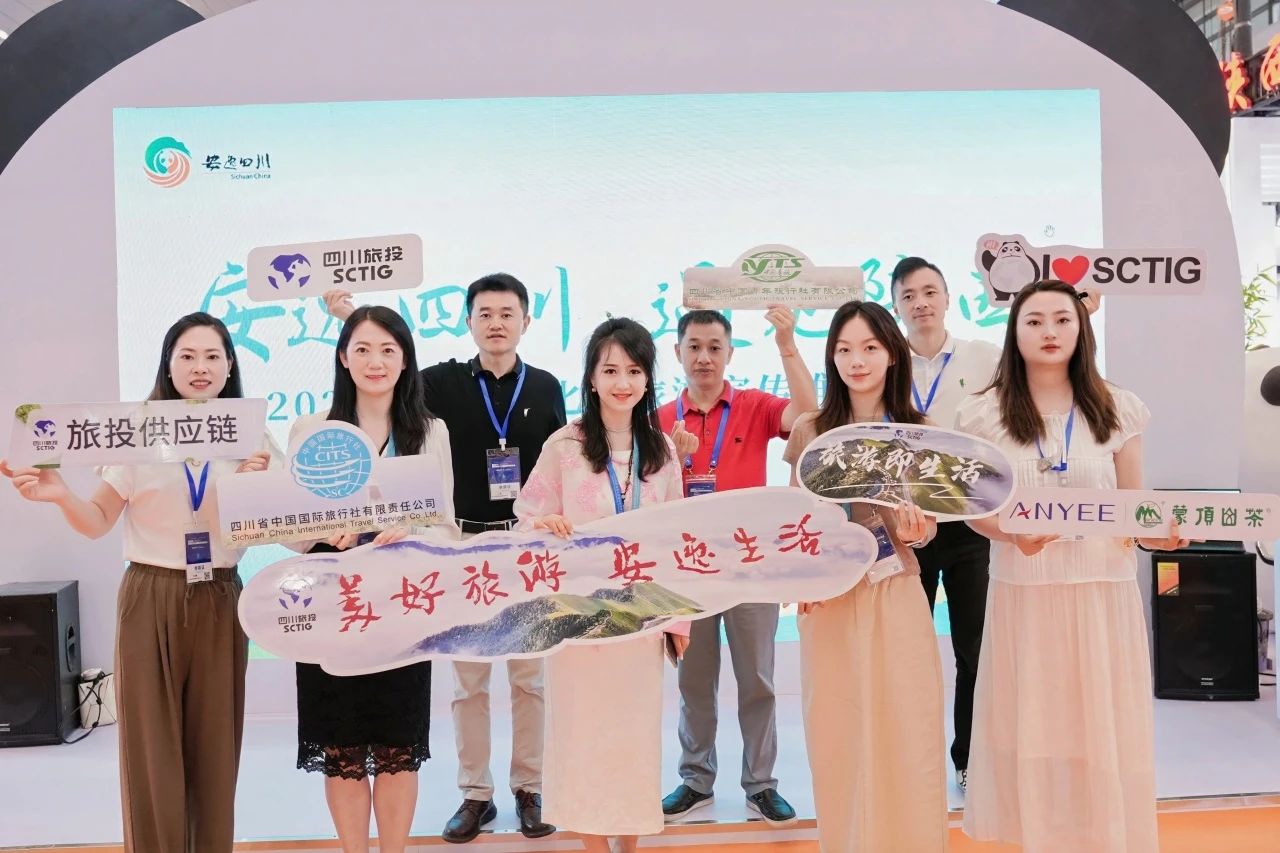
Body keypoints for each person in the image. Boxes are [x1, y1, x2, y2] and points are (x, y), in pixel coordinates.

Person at [1, 313, 274, 853]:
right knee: (151, 750)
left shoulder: (252, 438)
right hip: (150, 593)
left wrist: (251, 489)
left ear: (230, 366)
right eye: (187, 356)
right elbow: (98, 520)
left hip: (221, 595)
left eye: (212, 356)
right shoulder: (138, 432)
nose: (200, 368)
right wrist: (60, 495)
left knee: (216, 748)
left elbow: (275, 523)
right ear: (168, 366)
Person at [323, 274, 564, 842]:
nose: (496, 323)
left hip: (526, 548)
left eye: (508, 313)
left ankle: (530, 788)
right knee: (469, 682)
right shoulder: (439, 382)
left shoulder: (547, 386)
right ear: (469, 321)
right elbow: (382, 381)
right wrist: (348, 319)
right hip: (462, 547)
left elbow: (561, 463)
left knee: (529, 679)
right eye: (485, 313)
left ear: (526, 321)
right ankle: (475, 793)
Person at [957, 280, 1184, 853]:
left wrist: (1161, 534)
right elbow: (974, 512)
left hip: (1102, 594)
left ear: (1082, 329)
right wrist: (1009, 533)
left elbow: (1133, 505)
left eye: (1062, 319)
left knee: (1101, 734)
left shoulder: (1117, 406)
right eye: (1034, 321)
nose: (1050, 331)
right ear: (1014, 333)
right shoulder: (983, 414)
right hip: (1025, 593)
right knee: (1035, 732)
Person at [513, 317, 689, 853]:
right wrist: (544, 525)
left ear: (647, 378)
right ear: (591, 378)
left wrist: (679, 622)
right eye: (610, 370)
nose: (622, 382)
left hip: (640, 623)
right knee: (583, 738)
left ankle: (629, 845)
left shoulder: (662, 450)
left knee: (633, 740)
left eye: (634, 371)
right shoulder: (565, 445)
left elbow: (679, 540)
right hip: (579, 624)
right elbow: (525, 518)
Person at [782, 300, 949, 853]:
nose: (857, 360)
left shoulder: (919, 432)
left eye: (870, 348)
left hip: (896, 591)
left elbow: (928, 528)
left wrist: (919, 531)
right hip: (830, 599)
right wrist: (804, 582)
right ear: (832, 357)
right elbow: (795, 519)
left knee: (907, 726)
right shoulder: (811, 429)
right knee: (838, 730)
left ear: (892, 354)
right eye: (845, 349)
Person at [291, 306, 457, 853]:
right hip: (332, 610)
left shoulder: (430, 432)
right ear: (343, 358)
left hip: (402, 609)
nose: (375, 361)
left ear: (405, 359)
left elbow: (448, 529)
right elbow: (289, 532)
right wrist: (323, 529)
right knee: (341, 748)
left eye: (388, 349)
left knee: (397, 748)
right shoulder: (312, 430)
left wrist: (413, 530)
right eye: (362, 349)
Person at [656, 307, 816, 824]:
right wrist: (670, 453)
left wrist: (787, 342)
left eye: (714, 347)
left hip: (752, 565)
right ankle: (695, 781)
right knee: (693, 683)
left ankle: (761, 784)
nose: (704, 357)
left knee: (758, 681)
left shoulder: (753, 405)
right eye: (694, 347)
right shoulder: (658, 418)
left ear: (729, 352)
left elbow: (809, 414)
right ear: (677, 352)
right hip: (687, 570)